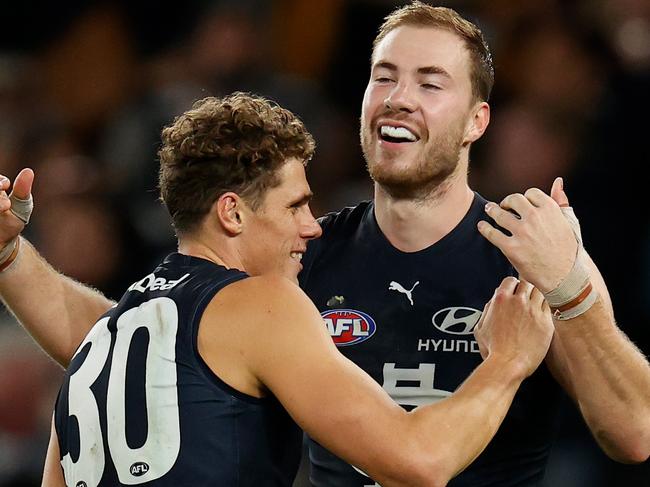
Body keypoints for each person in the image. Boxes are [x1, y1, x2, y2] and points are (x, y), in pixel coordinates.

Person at [1, 2, 649, 486]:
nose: (399, 99)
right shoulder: (297, 256)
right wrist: (12, 257)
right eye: (384, 76)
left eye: (430, 82)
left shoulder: (533, 252)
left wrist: (572, 289)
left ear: (478, 118)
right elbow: (138, 335)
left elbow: (635, 432)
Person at [0, 92, 555, 486]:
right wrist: (507, 360)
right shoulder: (261, 303)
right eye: (295, 204)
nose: (312, 225)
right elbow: (417, 462)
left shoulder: (103, 347)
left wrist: (10, 256)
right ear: (233, 213)